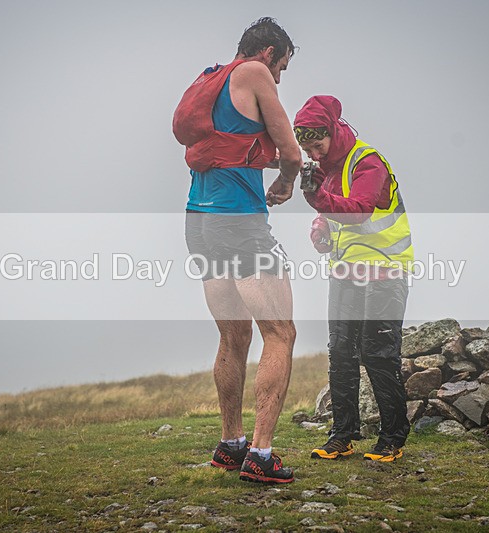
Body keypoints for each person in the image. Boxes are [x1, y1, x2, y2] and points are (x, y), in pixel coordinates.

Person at [172, 17, 302, 483]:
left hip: (199, 220)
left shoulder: (216, 78)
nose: (280, 78)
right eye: (282, 66)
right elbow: (291, 153)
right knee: (280, 333)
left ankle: (231, 444)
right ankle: (262, 457)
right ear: (269, 53)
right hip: (239, 221)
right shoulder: (254, 73)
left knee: (233, 336)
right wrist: (286, 183)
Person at [294, 95, 413, 462]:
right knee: (341, 354)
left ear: (331, 132)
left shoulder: (368, 162)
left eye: (317, 145)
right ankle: (342, 435)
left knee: (379, 355)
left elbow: (359, 212)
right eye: (308, 149)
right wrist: (319, 231)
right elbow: (331, 214)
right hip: (345, 272)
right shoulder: (327, 169)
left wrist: (317, 200)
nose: (313, 153)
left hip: (385, 271)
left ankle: (393, 438)